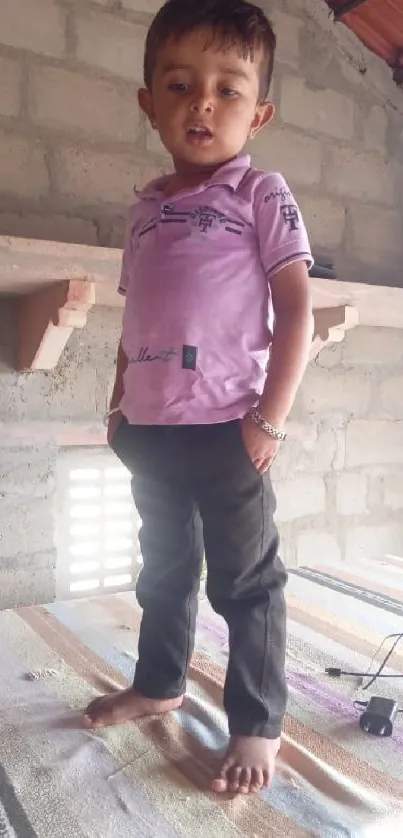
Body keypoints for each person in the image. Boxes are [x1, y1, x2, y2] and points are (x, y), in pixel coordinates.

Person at [83, 0, 313, 796]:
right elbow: (136, 314)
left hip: (228, 431)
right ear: (149, 102)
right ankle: (160, 683)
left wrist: (267, 420)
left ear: (260, 112)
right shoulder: (144, 210)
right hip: (148, 432)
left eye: (227, 89)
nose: (201, 104)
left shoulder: (260, 193)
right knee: (164, 571)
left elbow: (297, 310)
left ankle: (256, 725)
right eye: (179, 84)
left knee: (245, 584)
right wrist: (116, 404)